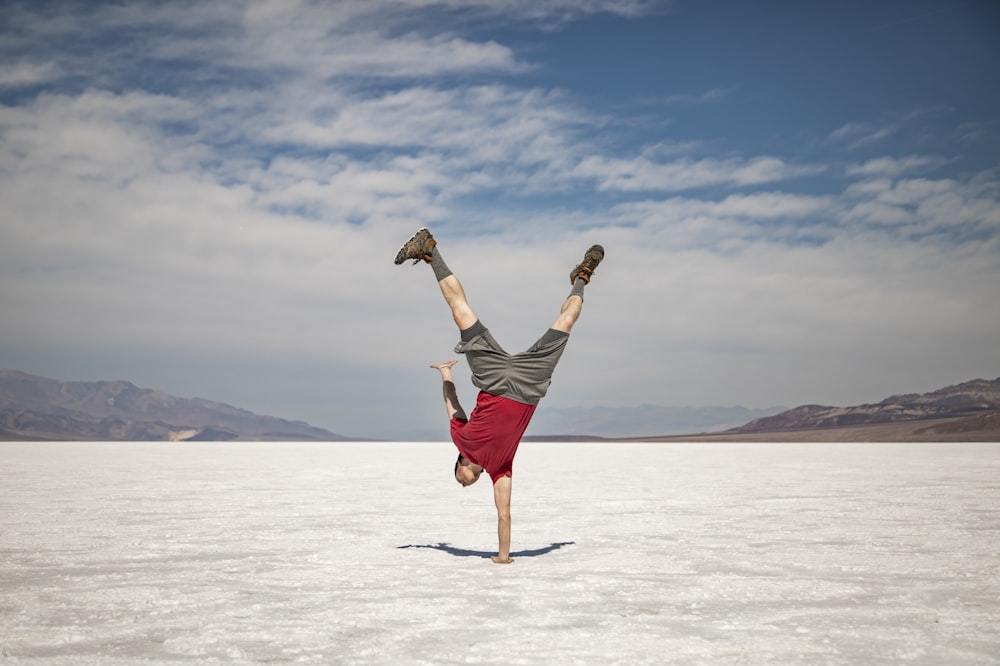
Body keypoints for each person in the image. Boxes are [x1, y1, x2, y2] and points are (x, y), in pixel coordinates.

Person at [394, 227, 604, 564]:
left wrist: (446, 373)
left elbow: (453, 404)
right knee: (566, 320)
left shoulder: (460, 440)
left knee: (460, 311)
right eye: (466, 485)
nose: (465, 486)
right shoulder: (500, 470)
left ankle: (429, 251)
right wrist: (502, 557)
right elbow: (504, 515)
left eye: (461, 482)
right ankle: (582, 276)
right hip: (527, 386)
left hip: (493, 380)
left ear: (461, 466)